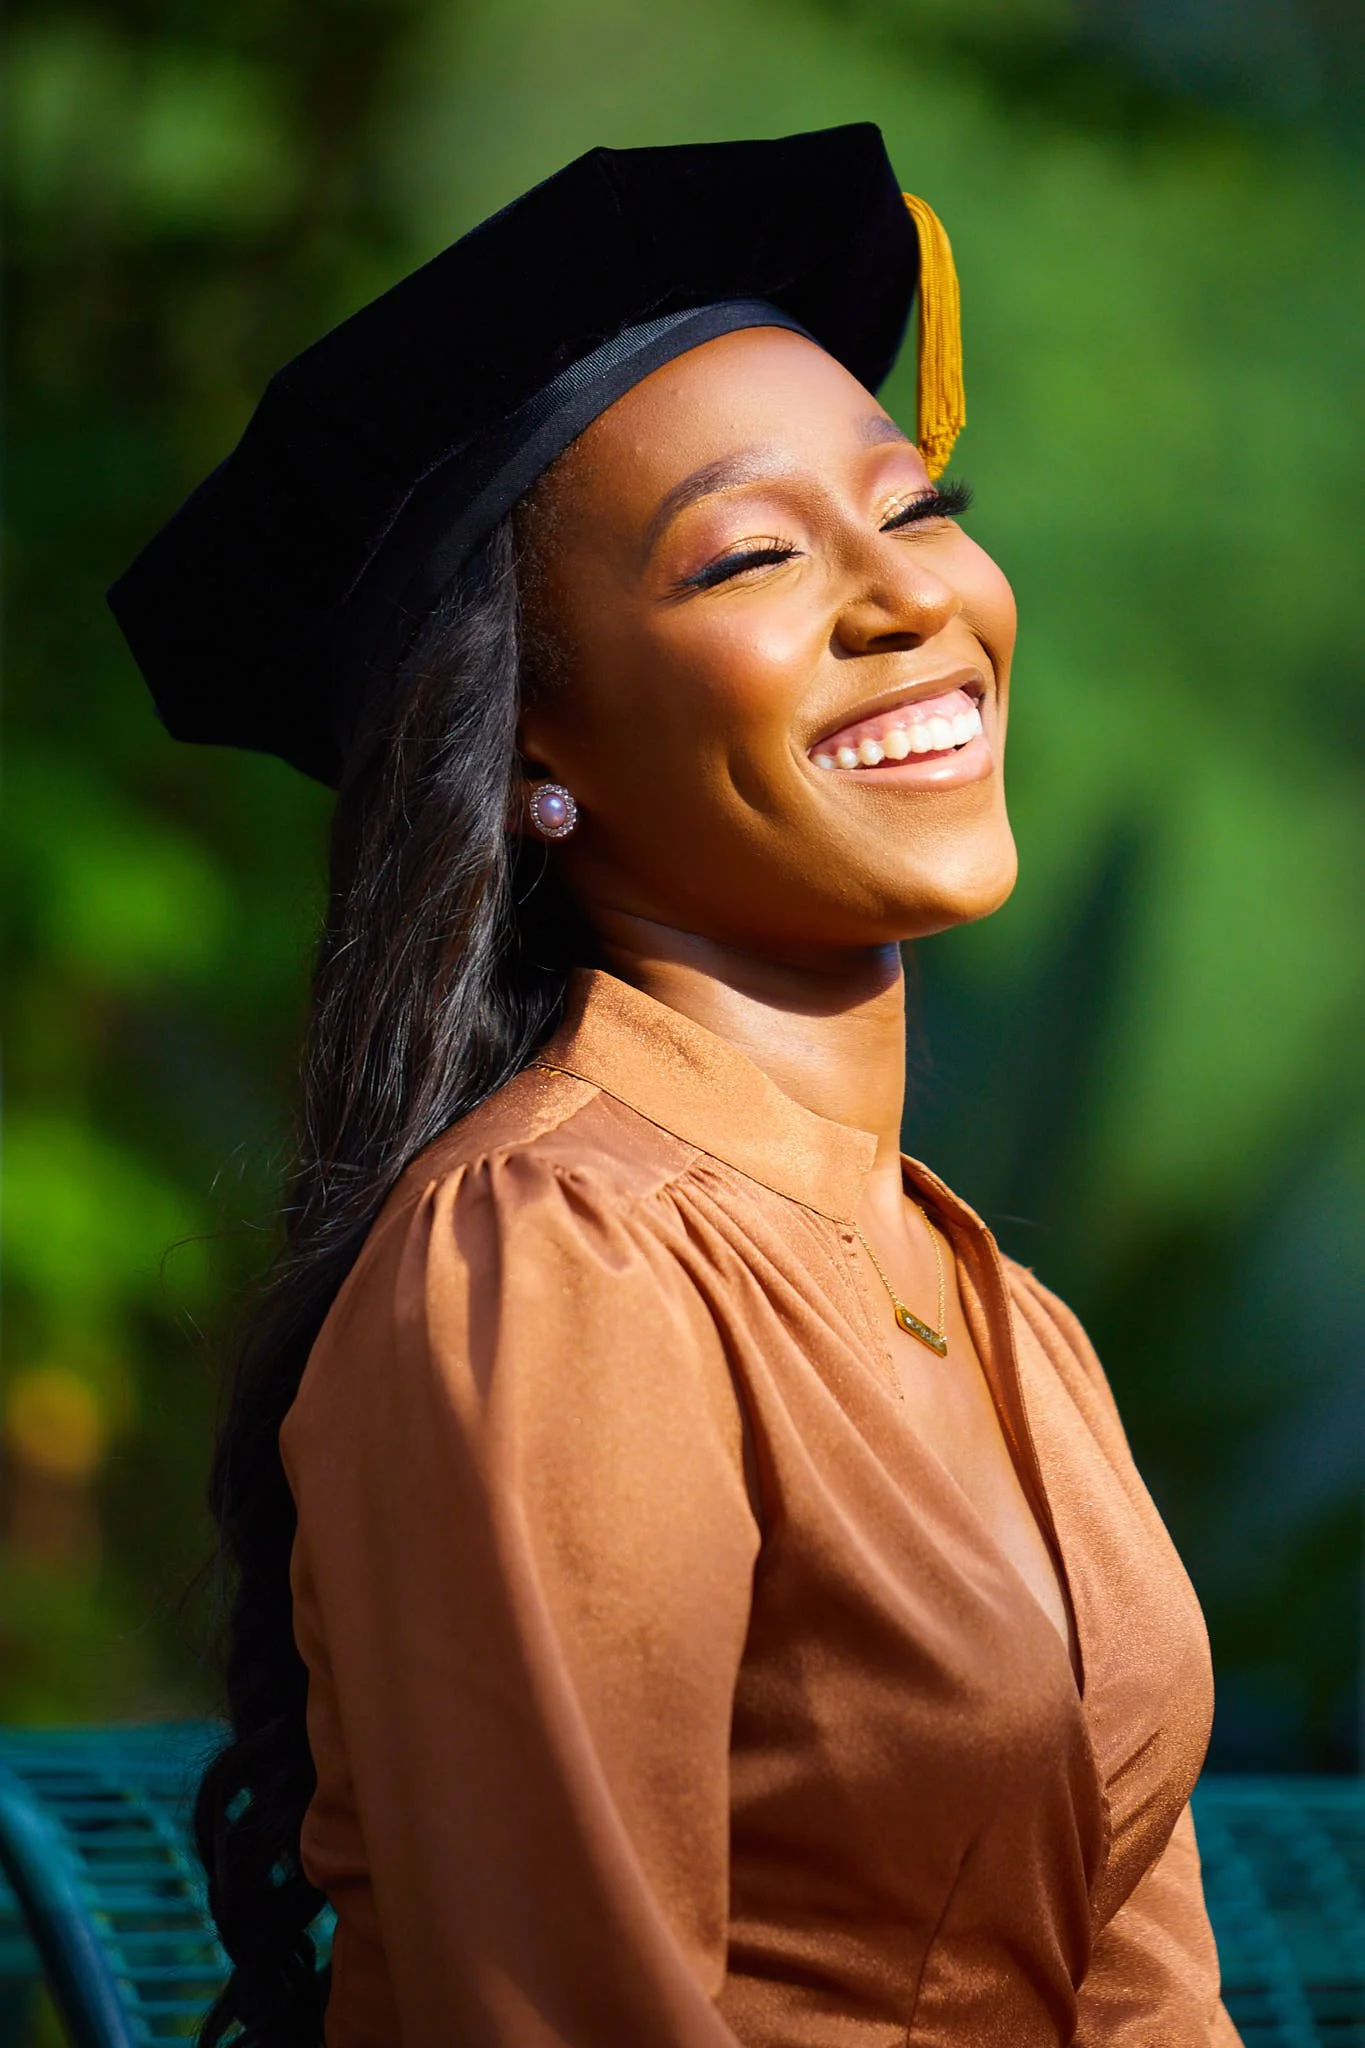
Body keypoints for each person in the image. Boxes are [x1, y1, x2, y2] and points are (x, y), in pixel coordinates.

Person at [110, 125, 1240, 2048]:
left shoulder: (1001, 1316)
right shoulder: (555, 1262)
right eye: (752, 555)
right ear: (538, 741)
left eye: (923, 502)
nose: (907, 598)